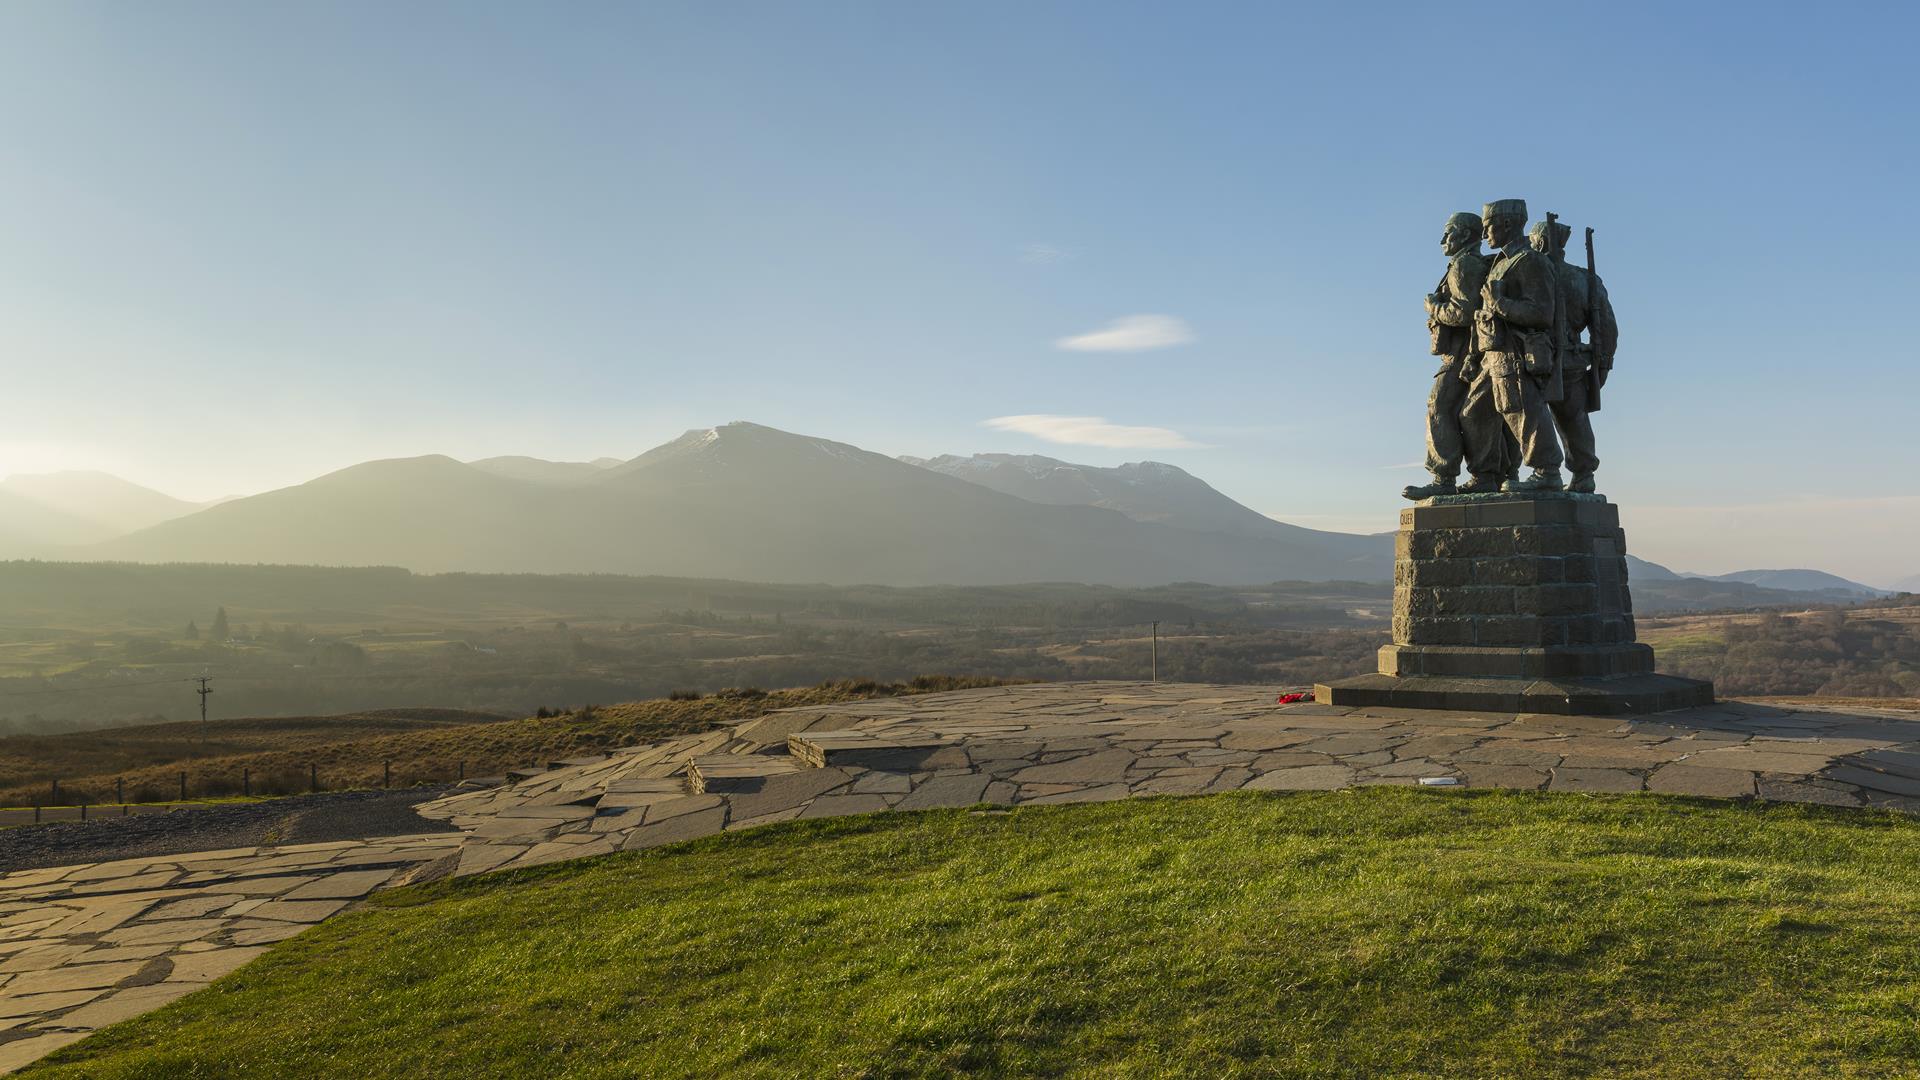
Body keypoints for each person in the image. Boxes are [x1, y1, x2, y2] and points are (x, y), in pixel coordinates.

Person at [1464, 198, 1565, 492]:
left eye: (1488, 226)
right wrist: (1474, 352)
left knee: (1523, 410)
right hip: (1491, 352)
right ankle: (1486, 476)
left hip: (1516, 352)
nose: (1485, 235)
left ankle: (1547, 471)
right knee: (1474, 413)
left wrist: (1501, 304)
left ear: (1507, 224)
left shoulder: (1530, 261)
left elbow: (1542, 313)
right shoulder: (1500, 262)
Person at [1403, 212, 1501, 499]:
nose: (1443, 240)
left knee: (1439, 406)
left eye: (1449, 233)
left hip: (1464, 353)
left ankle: (1444, 476)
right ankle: (1486, 475)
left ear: (1467, 235)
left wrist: (1433, 307)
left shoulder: (1463, 265)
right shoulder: (1467, 264)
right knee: (1476, 414)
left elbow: (1463, 312)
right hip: (1473, 351)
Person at [1528, 220, 1617, 493]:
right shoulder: (1585, 279)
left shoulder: (1535, 274)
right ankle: (1583, 474)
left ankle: (1546, 472)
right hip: (1574, 360)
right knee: (1574, 418)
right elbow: (1607, 329)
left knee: (1531, 416)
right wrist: (1603, 365)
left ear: (1541, 243)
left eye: (1533, 244)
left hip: (1538, 361)